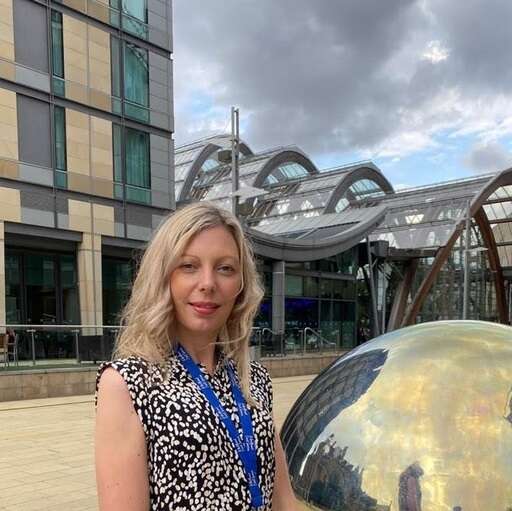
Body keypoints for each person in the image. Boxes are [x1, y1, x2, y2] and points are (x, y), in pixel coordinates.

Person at [95, 202, 297, 510]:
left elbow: (284, 500)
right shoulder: (128, 383)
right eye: (188, 265)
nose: (207, 283)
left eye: (225, 268)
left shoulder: (254, 379)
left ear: (241, 285)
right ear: (164, 277)